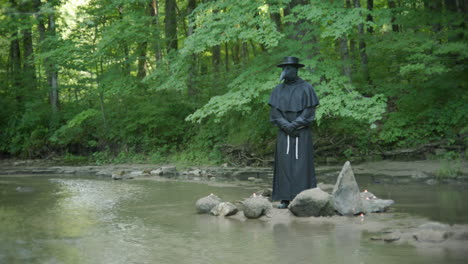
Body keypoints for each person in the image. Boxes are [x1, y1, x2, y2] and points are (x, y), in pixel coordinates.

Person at [268, 56, 320, 209]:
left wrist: (295, 125)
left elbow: (309, 112)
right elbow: (275, 113)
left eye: (288, 68)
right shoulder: (277, 90)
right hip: (284, 133)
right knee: (284, 165)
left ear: (296, 69)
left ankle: (304, 197)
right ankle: (285, 198)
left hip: (301, 133)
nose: (285, 71)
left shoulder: (307, 88)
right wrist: (287, 126)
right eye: (284, 68)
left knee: (302, 165)